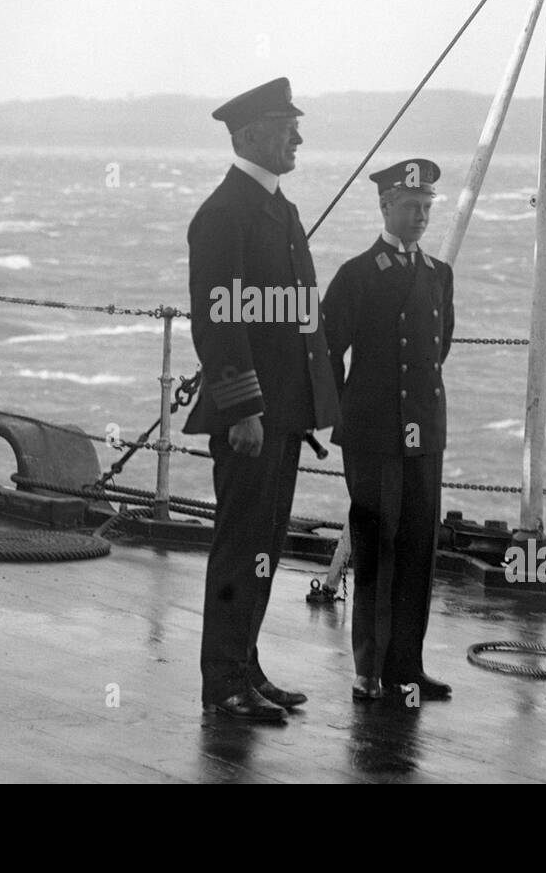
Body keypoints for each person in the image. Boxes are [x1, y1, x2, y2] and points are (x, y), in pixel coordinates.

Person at [185, 76, 340, 722]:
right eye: (287, 125)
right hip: (251, 416)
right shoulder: (225, 215)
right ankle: (221, 683)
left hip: (281, 413)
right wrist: (246, 409)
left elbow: (300, 321)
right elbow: (218, 324)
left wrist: (311, 408)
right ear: (251, 135)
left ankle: (246, 668)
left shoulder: (280, 208)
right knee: (239, 542)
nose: (298, 136)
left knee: (264, 545)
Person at [321, 158, 455, 705]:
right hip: (374, 431)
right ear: (385, 206)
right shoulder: (357, 274)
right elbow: (327, 348)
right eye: (410, 206)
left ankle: (407, 666)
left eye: (426, 208)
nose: (420, 216)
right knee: (377, 548)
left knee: (418, 548)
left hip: (424, 430)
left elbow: (439, 346)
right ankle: (369, 670)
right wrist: (342, 412)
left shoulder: (439, 274)